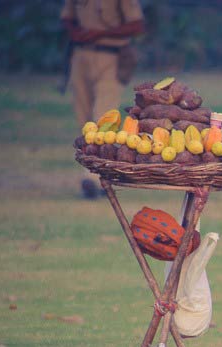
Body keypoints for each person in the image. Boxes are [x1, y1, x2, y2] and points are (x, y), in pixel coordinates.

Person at [61, 0, 145, 199]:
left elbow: (136, 25)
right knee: (84, 121)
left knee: (103, 121)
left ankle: (92, 178)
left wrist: (100, 34)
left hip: (111, 56)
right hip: (81, 55)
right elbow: (67, 17)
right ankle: (96, 174)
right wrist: (75, 32)